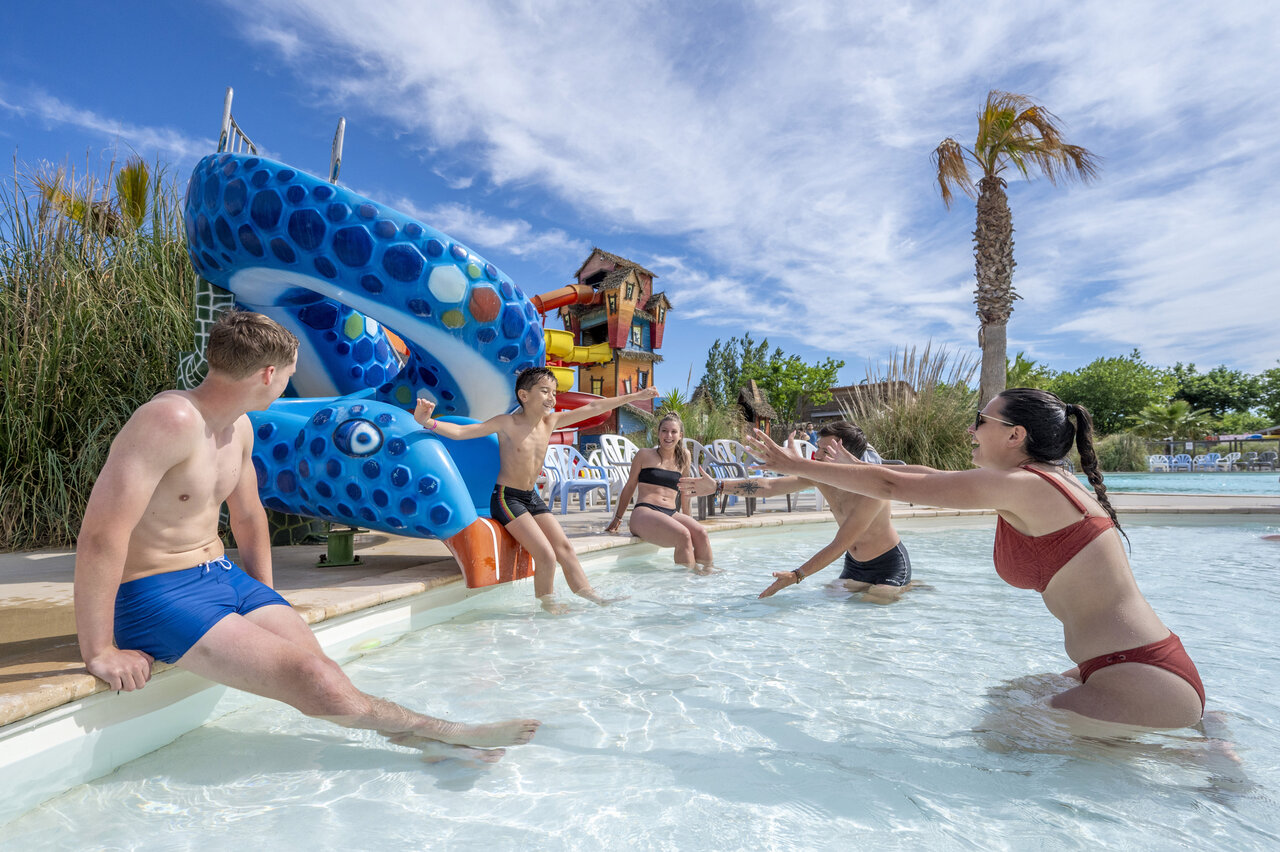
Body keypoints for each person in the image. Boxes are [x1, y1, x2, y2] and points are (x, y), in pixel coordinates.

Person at [75, 310, 539, 764]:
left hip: (222, 577)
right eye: (287, 376)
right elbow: (101, 535)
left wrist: (262, 595)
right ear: (268, 374)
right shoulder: (169, 420)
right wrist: (100, 650)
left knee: (323, 669)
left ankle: (417, 745)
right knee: (312, 677)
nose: (286, 387)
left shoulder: (237, 426)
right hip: (155, 591)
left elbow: (250, 517)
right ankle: (445, 732)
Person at [745, 388, 1205, 729]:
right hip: (1133, 668)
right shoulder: (1040, 480)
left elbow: (896, 487)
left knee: (998, 740)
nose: (971, 429)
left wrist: (798, 464)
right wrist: (847, 467)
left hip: (1141, 677)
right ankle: (1206, 734)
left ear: (1015, 434)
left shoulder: (1025, 485)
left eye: (980, 420)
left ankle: (1204, 751)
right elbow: (923, 475)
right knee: (1009, 700)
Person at [414, 367, 658, 613]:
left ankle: (593, 598)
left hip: (532, 497)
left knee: (565, 549)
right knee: (546, 555)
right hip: (507, 498)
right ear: (524, 395)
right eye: (545, 391)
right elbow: (462, 432)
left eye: (554, 392)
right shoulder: (506, 423)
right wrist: (428, 421)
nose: (552, 398)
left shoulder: (551, 422)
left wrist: (633, 397)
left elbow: (593, 408)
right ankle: (547, 605)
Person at [680, 421, 912, 601]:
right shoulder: (822, 476)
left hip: (888, 564)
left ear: (847, 454)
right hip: (855, 564)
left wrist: (796, 575)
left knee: (876, 602)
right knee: (835, 601)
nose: (816, 456)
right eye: (818, 448)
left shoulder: (872, 492)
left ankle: (908, 585)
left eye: (824, 450)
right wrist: (718, 486)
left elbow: (838, 545)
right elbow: (770, 486)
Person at [606, 412, 715, 573]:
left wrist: (687, 518)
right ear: (658, 433)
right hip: (644, 512)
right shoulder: (644, 454)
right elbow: (629, 487)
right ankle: (686, 581)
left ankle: (708, 576)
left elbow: (685, 492)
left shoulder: (684, 456)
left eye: (673, 432)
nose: (668, 435)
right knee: (683, 535)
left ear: (680, 435)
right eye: (664, 431)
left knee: (700, 533)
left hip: (670, 512)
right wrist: (617, 518)